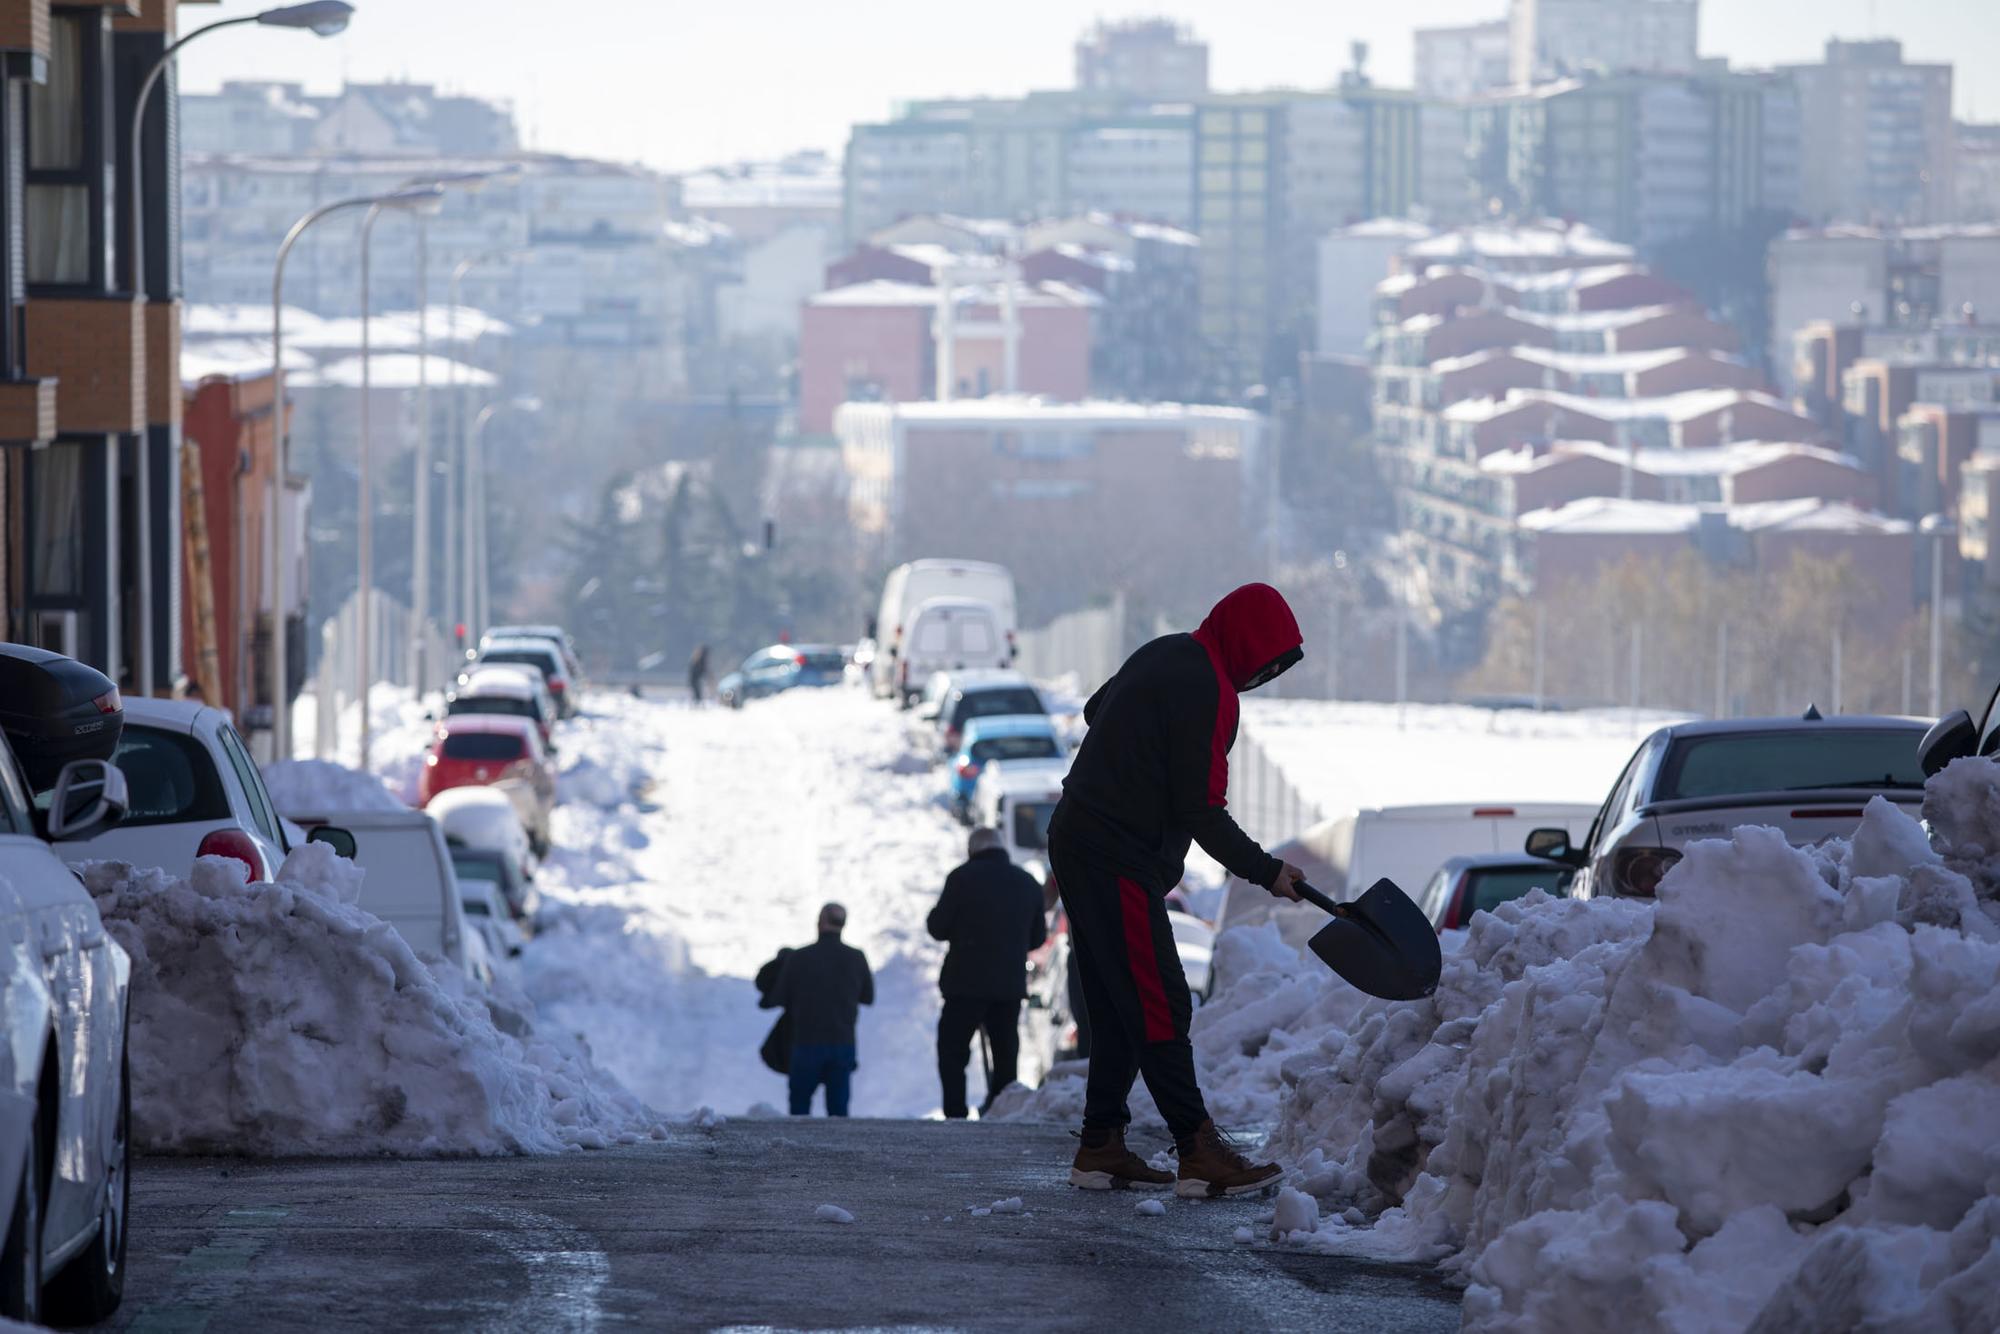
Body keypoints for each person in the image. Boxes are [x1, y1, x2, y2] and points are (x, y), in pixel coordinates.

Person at [1049, 582, 1306, 1197]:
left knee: (1119, 1004)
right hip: (1114, 856)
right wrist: (1267, 870)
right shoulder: (1211, 691)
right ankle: (1197, 1148)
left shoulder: (1167, 651)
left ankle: (1101, 1146)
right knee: (1161, 1001)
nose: (1261, 677)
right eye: (1265, 662)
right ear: (1247, 643)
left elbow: (1095, 709)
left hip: (1079, 838)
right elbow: (1202, 810)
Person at [927, 827, 1048, 1118]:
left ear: (973, 850)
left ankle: (955, 1112)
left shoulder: (961, 878)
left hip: (964, 984)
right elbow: (1037, 938)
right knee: (1005, 1052)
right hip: (1008, 986)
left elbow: (938, 927)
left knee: (953, 1051)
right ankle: (1000, 1110)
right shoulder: (1027, 883)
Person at [759, 903, 874, 1116]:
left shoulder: (800, 957)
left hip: (805, 1042)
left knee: (800, 1109)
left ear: (820, 923)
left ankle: (797, 1150)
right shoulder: (857, 957)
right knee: (838, 1112)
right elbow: (868, 997)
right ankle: (840, 1148)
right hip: (843, 1042)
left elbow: (778, 997)